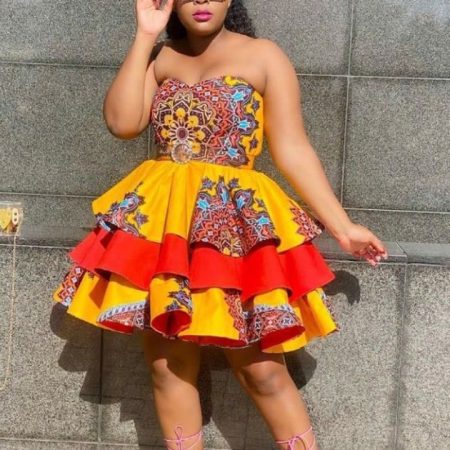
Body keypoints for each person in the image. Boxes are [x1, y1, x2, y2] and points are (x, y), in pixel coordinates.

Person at [53, 1, 389, 449]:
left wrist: (343, 227)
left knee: (262, 370)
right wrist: (145, 35)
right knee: (168, 366)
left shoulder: (264, 55)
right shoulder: (160, 57)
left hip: (233, 226)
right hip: (165, 223)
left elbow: (292, 147)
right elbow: (122, 122)